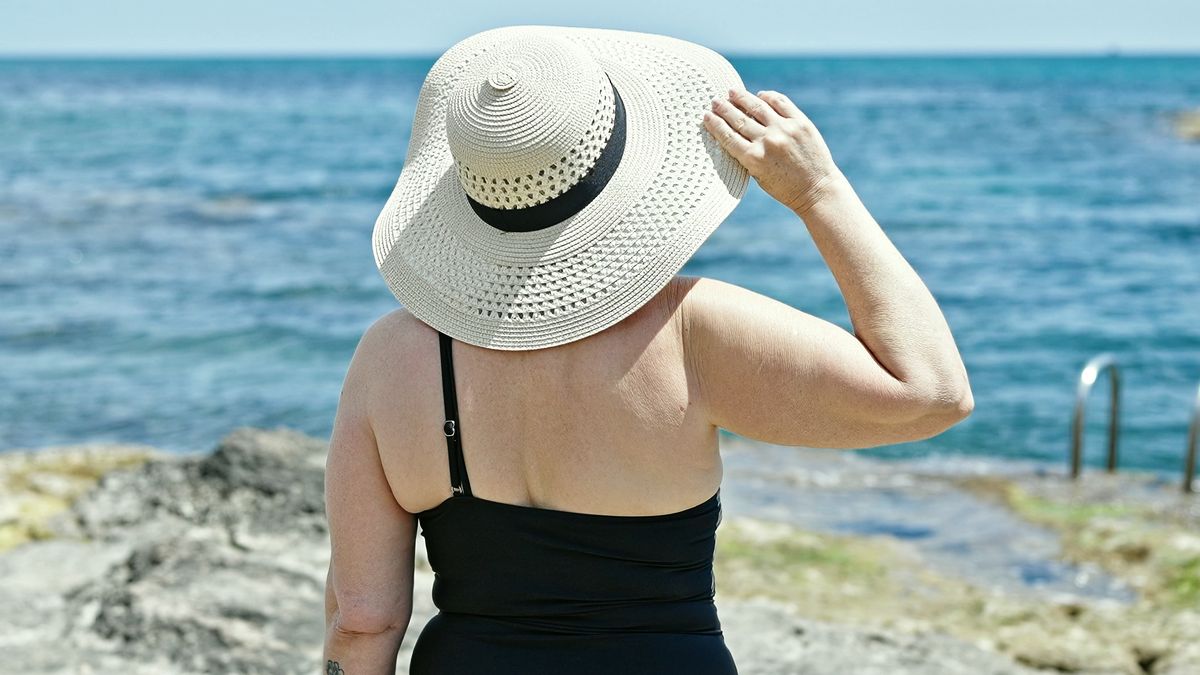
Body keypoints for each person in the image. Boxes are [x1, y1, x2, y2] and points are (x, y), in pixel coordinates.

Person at [322, 25, 972, 675]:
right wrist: (819, 192)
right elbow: (931, 392)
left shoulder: (390, 358)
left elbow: (361, 618)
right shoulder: (690, 331)